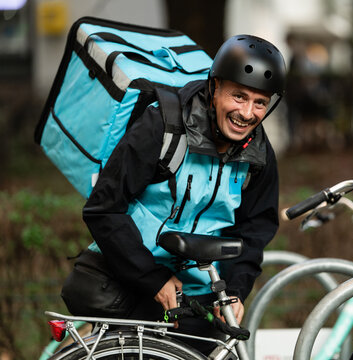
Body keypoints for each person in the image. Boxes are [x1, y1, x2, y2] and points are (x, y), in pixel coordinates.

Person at [63, 34, 286, 354]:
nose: (247, 113)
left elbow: (254, 230)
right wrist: (153, 279)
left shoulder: (259, 154)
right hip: (129, 282)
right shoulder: (164, 127)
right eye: (238, 96)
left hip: (197, 296)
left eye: (260, 102)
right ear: (215, 87)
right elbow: (104, 208)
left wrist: (236, 290)